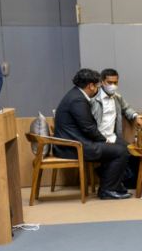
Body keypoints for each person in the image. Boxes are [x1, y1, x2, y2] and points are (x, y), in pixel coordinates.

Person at [53, 68, 131, 200]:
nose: (97, 89)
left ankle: (112, 185)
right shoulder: (78, 100)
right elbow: (88, 127)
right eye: (97, 86)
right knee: (120, 151)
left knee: (118, 148)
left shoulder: (75, 95)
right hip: (73, 147)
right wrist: (104, 140)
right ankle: (108, 189)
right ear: (91, 85)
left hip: (74, 143)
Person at [93, 68, 142, 191]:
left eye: (115, 82)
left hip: (113, 137)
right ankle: (112, 182)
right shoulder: (94, 99)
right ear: (102, 82)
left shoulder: (117, 97)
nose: (113, 86)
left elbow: (127, 109)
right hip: (98, 138)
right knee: (121, 153)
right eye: (109, 82)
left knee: (133, 151)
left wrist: (136, 116)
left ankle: (133, 182)